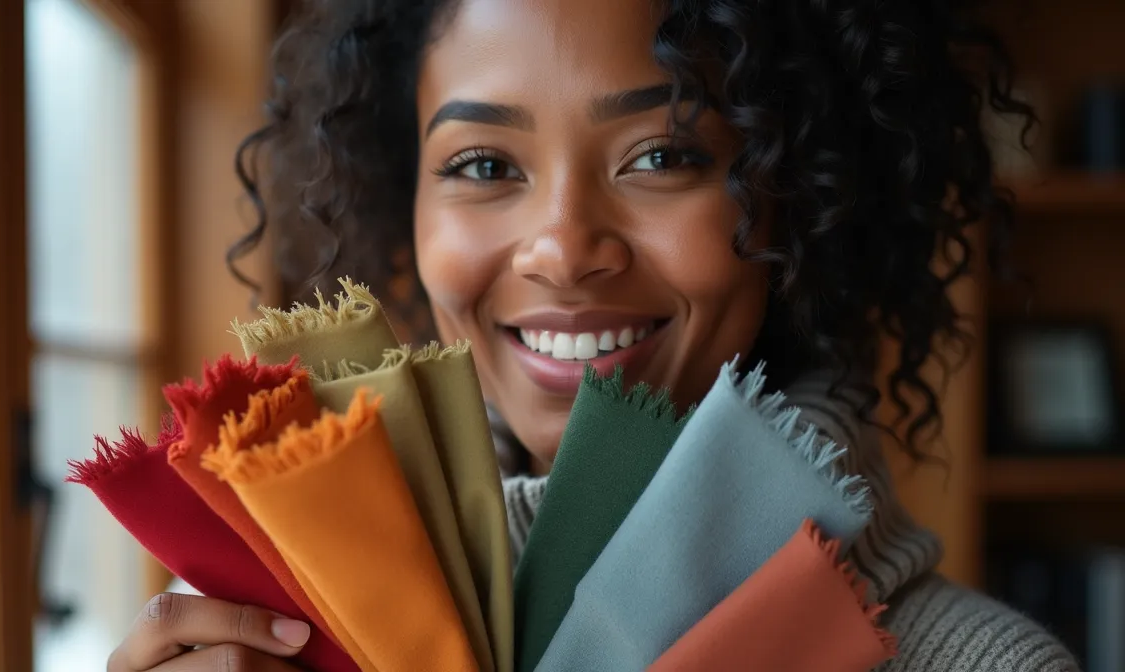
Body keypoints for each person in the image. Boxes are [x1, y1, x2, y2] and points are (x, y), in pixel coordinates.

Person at [108, 0, 1080, 670]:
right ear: (403, 209)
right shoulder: (274, 635)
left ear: (798, 201)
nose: (565, 249)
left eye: (660, 155)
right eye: (484, 164)